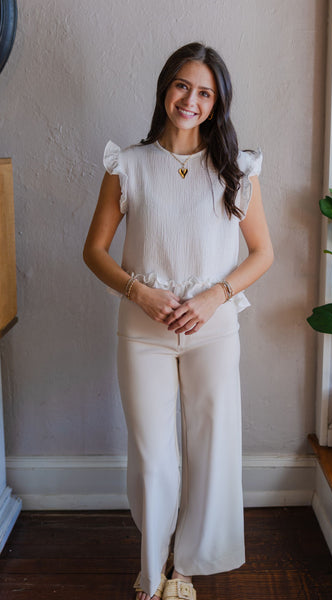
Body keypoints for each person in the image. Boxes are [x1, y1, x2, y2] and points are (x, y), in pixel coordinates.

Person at [83, 42, 273, 600]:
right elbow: (94, 251)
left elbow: (263, 253)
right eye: (182, 86)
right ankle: (150, 570)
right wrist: (137, 292)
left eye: (205, 93)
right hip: (144, 332)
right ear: (166, 88)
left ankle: (184, 569)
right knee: (152, 457)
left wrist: (216, 297)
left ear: (217, 103)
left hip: (214, 331)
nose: (191, 100)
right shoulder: (128, 165)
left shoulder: (237, 170)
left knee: (210, 450)